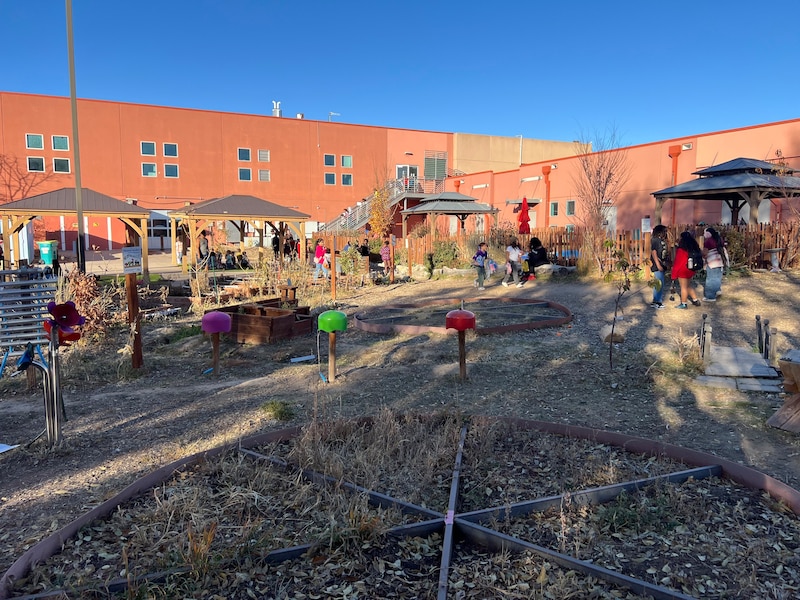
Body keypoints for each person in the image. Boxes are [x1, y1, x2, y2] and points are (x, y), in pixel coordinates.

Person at [671, 231, 702, 309]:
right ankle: (695, 300)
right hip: (691, 269)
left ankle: (684, 303)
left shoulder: (681, 250)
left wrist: (673, 275)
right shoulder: (693, 248)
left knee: (683, 287)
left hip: (683, 270)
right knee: (688, 286)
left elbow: (678, 263)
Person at [702, 227, 726, 301]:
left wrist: (703, 258)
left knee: (710, 279)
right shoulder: (719, 239)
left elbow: (705, 253)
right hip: (720, 261)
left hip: (712, 262)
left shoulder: (708, 241)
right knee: (717, 278)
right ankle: (717, 290)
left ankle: (710, 297)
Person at [649, 225, 670, 309]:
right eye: (664, 231)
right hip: (657, 264)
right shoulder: (655, 240)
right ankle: (657, 301)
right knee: (659, 283)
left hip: (662, 263)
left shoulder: (662, 241)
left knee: (660, 283)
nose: (665, 233)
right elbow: (654, 252)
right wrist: (658, 264)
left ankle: (656, 300)